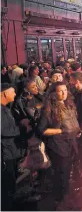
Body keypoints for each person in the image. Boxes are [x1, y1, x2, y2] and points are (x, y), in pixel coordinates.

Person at [37, 82, 80, 207]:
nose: (64, 93)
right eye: (60, 91)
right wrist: (60, 130)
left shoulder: (69, 104)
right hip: (57, 146)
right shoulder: (49, 108)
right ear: (53, 93)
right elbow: (41, 130)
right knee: (61, 174)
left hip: (70, 144)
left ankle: (64, 197)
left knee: (66, 173)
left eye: (65, 90)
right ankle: (61, 201)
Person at [1, 83, 21, 211]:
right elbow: (3, 130)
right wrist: (21, 129)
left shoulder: (5, 108)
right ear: (4, 93)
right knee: (7, 185)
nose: (14, 94)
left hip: (10, 151)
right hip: (5, 153)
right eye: (12, 91)